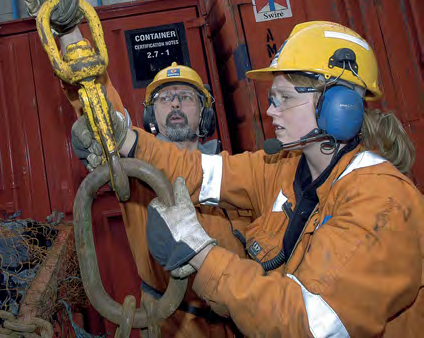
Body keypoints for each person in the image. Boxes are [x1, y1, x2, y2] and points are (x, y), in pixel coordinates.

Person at [73, 21, 423, 337]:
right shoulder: (283, 168)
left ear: (338, 107)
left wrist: (200, 252)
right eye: (272, 98)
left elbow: (310, 325)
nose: (270, 110)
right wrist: (126, 139)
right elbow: (201, 172)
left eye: (283, 98)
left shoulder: (383, 203)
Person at [62, 28, 250, 337]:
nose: (175, 104)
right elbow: (98, 100)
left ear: (204, 114)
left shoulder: (232, 171)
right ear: (152, 114)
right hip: (174, 325)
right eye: (165, 98)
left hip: (243, 319)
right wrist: (68, 29)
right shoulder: (136, 172)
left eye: (186, 97)